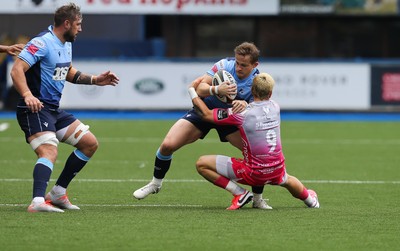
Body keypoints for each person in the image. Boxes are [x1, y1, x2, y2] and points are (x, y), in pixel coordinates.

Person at [133, 42, 271, 209]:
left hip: (230, 119)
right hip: (205, 110)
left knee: (256, 154)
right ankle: (155, 184)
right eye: (237, 63)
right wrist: (216, 89)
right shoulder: (224, 65)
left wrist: (246, 106)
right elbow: (200, 88)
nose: (238, 68)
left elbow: (259, 109)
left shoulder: (258, 81)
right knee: (168, 145)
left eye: (244, 65)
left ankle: (257, 199)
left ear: (255, 65)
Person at [10, 3, 119, 213]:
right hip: (34, 108)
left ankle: (58, 192)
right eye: (78, 24)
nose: (81, 29)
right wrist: (27, 95)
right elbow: (16, 70)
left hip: (52, 109)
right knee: (49, 150)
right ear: (67, 23)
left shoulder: (66, 42)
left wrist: (96, 80)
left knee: (89, 143)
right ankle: (37, 202)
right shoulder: (42, 43)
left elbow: (67, 71)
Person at [187, 73, 320, 210]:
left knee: (202, 164)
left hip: (253, 174)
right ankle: (311, 201)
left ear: (252, 91)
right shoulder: (275, 107)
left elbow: (206, 114)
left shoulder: (241, 113)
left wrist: (192, 90)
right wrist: (243, 103)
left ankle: (240, 193)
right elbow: (257, 108)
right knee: (287, 179)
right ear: (270, 93)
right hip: (277, 170)